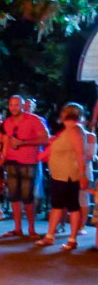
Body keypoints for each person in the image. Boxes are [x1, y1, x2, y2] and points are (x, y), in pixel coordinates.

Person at [35, 103, 87, 250]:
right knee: (56, 206)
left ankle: (72, 239)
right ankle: (50, 236)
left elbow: (80, 154)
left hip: (68, 175)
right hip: (59, 175)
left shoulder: (75, 132)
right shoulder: (66, 131)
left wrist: (82, 174)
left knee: (72, 206)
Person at [2, 94, 49, 238]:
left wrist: (23, 142)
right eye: (11, 105)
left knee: (28, 197)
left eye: (17, 104)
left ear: (23, 105)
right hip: (11, 161)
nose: (14, 107)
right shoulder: (8, 122)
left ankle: (31, 229)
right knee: (14, 197)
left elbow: (45, 138)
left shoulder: (34, 119)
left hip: (29, 162)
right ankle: (17, 228)